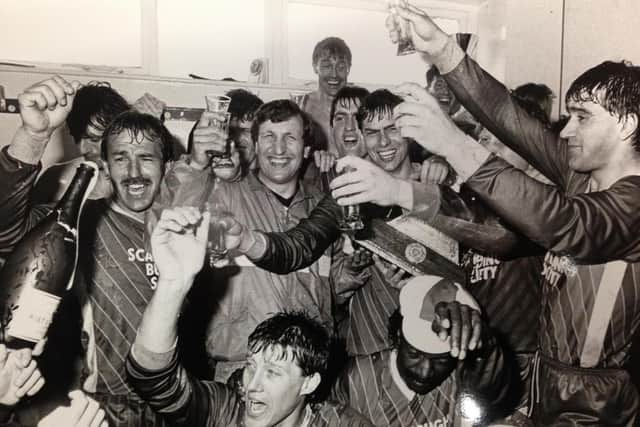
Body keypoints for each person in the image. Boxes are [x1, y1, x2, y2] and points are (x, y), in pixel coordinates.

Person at [388, 4, 640, 424]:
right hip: (549, 377)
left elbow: (563, 221)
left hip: (597, 398)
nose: (565, 130)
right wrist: (445, 53)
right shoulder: (585, 174)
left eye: (582, 118)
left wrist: (453, 143)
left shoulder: (634, 203)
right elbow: (511, 118)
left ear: (627, 123)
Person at [0, 76, 175, 426]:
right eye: (117, 154)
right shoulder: (84, 213)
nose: (133, 169)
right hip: (107, 401)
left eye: (143, 156)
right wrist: (32, 137)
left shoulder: (186, 211)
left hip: (178, 401)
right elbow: (7, 232)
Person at [159, 99, 367, 382]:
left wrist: (353, 271)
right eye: (269, 137)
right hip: (239, 367)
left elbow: (332, 289)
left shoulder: (322, 208)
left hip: (307, 372)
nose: (278, 149)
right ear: (255, 146)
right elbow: (173, 219)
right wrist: (196, 164)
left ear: (306, 149)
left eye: (289, 138)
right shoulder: (226, 193)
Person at [126, 206, 373, 426]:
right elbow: (153, 380)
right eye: (250, 366)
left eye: (272, 372)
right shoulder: (227, 411)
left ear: (308, 383)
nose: (252, 386)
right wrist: (173, 282)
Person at [332, 275, 512, 426]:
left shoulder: (460, 379)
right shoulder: (358, 378)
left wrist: (487, 348)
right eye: (414, 354)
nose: (425, 372)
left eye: (441, 360)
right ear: (398, 336)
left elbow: (489, 386)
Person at [30, 82, 129, 203]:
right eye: (77, 138)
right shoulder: (56, 179)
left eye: (94, 139)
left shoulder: (145, 181)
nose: (82, 149)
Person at [297, 37, 353, 157]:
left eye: (341, 67)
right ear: (315, 67)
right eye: (327, 66)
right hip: (310, 174)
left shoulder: (361, 105)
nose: (334, 74)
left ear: (349, 68)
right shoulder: (299, 106)